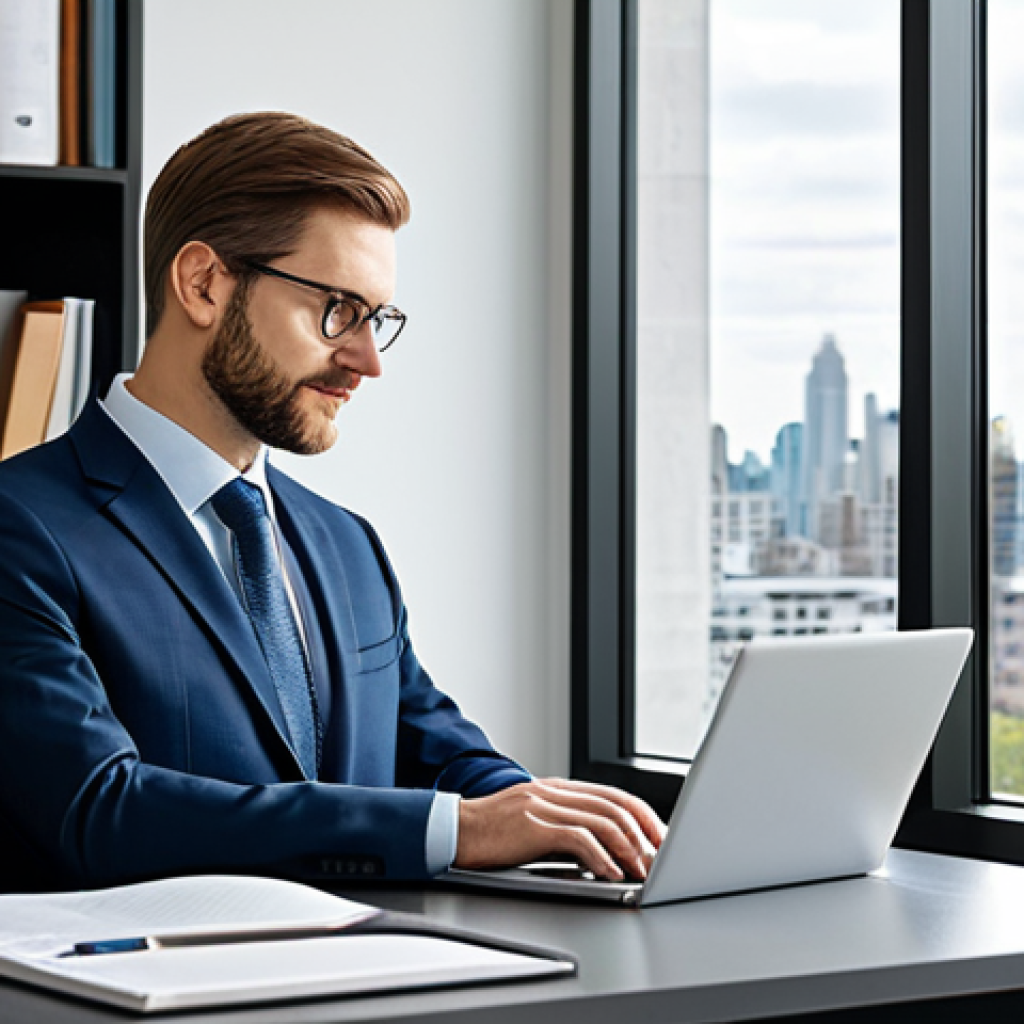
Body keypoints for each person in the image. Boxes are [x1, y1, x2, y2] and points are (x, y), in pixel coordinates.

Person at [0, 113, 664, 892]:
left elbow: (437, 752)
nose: (367, 361)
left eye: (376, 319)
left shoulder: (345, 544)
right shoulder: (24, 527)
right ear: (204, 284)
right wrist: (460, 828)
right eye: (338, 310)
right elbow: (98, 808)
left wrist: (575, 825)